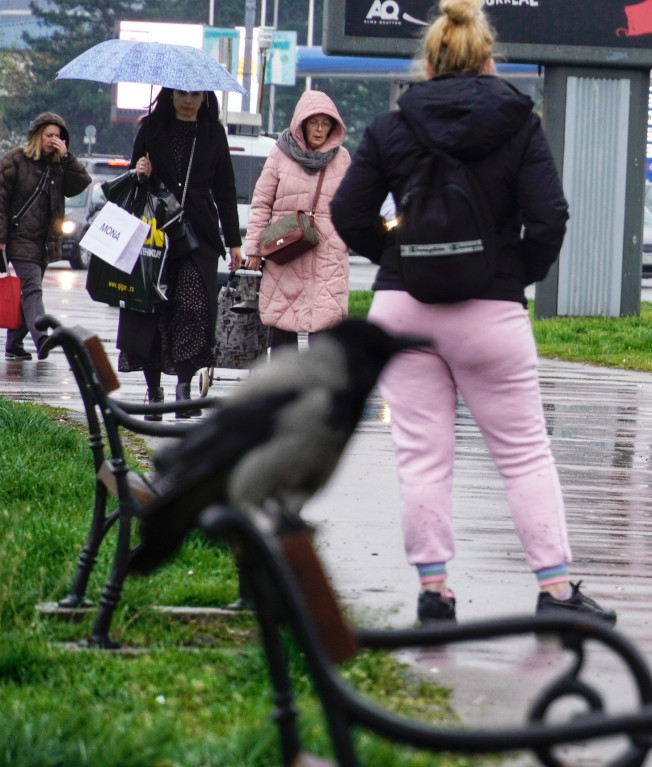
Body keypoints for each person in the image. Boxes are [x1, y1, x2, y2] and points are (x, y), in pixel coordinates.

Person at [331, 0, 615, 626]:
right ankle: (558, 593)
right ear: (487, 60)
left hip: (402, 310)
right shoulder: (519, 122)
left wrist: (399, 254)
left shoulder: (390, 127)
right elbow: (549, 217)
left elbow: (347, 214)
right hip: (491, 310)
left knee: (422, 457)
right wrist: (511, 272)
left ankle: (435, 593)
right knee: (523, 455)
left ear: (428, 63)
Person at [122, 89, 241, 418]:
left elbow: (226, 189)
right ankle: (154, 390)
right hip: (154, 233)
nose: (188, 100)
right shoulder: (150, 129)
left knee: (192, 307)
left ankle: (184, 388)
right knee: (150, 310)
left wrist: (234, 242)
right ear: (170, 95)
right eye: (182, 93)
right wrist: (140, 171)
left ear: (204, 98)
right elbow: (132, 182)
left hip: (197, 233)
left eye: (195, 94)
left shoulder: (213, 133)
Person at [233, 91, 351, 354]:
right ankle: (284, 392)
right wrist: (253, 249)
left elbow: (351, 204)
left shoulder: (342, 158)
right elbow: (262, 202)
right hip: (286, 255)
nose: (320, 129)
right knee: (284, 334)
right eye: (314, 122)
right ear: (301, 123)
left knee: (325, 338)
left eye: (325, 123)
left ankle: (320, 394)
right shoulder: (280, 154)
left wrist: (349, 239)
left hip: (327, 257)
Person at [0, 112, 91, 359]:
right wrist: (1, 235)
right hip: (19, 239)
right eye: (49, 135)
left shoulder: (59, 166)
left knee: (29, 290)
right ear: (37, 135)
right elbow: (1, 199)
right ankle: (42, 339)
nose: (53, 140)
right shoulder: (16, 160)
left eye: (58, 137)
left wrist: (67, 157)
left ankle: (13, 344)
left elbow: (82, 182)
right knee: (32, 289)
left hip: (44, 242)